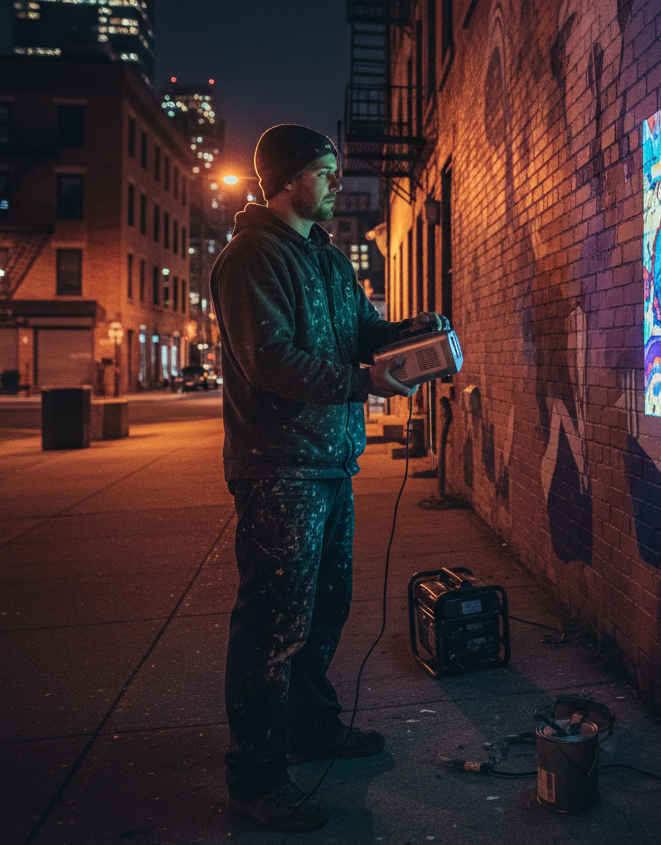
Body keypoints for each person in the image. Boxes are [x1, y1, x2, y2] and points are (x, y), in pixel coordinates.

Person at [210, 123, 447, 831]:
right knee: (272, 622)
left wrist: (414, 333)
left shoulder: (327, 259)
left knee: (326, 606)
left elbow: (361, 333)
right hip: (278, 465)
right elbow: (270, 361)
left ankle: (309, 728)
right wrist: (361, 382)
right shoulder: (251, 257)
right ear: (284, 179)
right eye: (324, 169)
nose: (336, 181)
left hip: (330, 461)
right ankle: (255, 775)